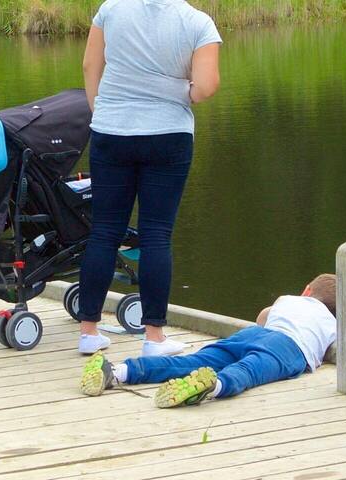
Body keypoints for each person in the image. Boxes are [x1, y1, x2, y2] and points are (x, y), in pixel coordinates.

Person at [72, 0, 223, 357]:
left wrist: (101, 107)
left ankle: (89, 331)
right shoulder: (197, 23)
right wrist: (179, 92)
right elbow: (205, 87)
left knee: (105, 231)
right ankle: (154, 337)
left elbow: (90, 63)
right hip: (168, 135)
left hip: (111, 132)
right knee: (156, 234)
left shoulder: (111, 9)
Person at [79, 274, 335, 408]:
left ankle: (118, 371)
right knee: (248, 371)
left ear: (307, 291)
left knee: (194, 360)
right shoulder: (333, 322)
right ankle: (215, 385)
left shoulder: (289, 299)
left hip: (253, 334)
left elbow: (263, 317)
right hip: (288, 347)